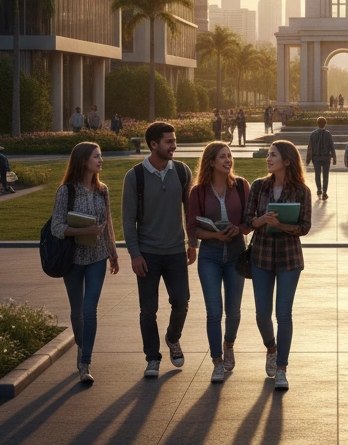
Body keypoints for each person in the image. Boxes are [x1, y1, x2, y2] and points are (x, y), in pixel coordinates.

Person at [122, 121, 197, 378]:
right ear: (153, 145)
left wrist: (192, 243)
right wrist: (135, 254)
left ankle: (172, 338)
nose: (174, 146)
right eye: (169, 142)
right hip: (148, 254)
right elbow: (127, 220)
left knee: (181, 302)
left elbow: (191, 211)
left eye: (174, 141)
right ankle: (152, 357)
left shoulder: (182, 171)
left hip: (176, 251)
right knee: (148, 310)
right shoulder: (135, 177)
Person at [242, 140, 312, 391]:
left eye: (274, 155)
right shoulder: (259, 187)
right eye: (268, 155)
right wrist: (262, 220)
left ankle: (281, 368)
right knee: (262, 314)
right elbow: (247, 221)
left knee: (284, 315)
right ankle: (271, 348)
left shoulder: (302, 190)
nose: (269, 159)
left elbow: (304, 227)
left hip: (289, 260)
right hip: (260, 258)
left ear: (287, 161)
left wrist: (282, 225)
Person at [50, 142, 119, 385]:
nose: (101, 160)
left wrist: (113, 252)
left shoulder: (103, 190)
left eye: (101, 156)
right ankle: (81, 347)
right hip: (73, 260)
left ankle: (85, 362)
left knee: (90, 310)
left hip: (97, 258)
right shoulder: (65, 192)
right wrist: (83, 229)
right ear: (82, 161)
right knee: (77, 312)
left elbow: (108, 223)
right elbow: (56, 226)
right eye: (96, 157)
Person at [188, 143, 251, 383]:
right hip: (210, 256)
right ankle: (216, 362)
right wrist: (215, 235)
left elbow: (249, 221)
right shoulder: (199, 192)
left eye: (229, 156)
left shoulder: (242, 186)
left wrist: (239, 229)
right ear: (211, 162)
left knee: (233, 312)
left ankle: (229, 344)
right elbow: (193, 229)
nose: (228, 160)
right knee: (214, 311)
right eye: (222, 157)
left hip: (236, 253)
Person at [306, 116, 337, 200]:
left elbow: (310, 147)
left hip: (316, 157)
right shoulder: (328, 134)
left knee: (317, 174)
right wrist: (334, 157)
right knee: (325, 175)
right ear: (325, 124)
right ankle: (324, 192)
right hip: (326, 157)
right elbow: (331, 146)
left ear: (318, 124)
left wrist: (308, 158)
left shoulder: (313, 134)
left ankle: (319, 189)